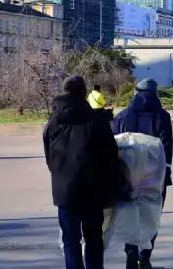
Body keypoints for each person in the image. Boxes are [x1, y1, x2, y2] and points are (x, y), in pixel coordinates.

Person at [44, 75, 124, 269]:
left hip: (64, 190)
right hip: (92, 189)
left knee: (70, 239)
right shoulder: (96, 121)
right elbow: (111, 156)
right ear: (83, 92)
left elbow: (49, 159)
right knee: (93, 238)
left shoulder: (53, 123)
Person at [112, 77, 173, 269]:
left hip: (127, 176)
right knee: (151, 215)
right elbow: (167, 146)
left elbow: (115, 144)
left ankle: (130, 252)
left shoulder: (122, 116)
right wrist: (166, 171)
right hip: (154, 177)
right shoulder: (162, 116)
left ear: (136, 92)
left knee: (128, 213)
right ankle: (144, 257)